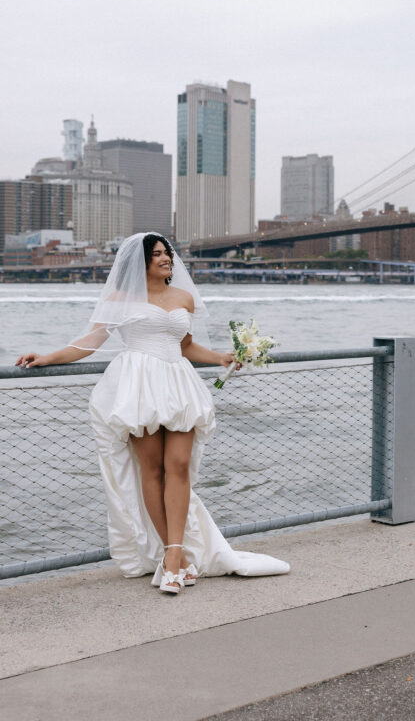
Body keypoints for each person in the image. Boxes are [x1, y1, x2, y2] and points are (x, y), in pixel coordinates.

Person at [16, 232, 289, 593]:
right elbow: (91, 341)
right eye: (157, 254)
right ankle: (173, 555)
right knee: (152, 470)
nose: (166, 259)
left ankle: (174, 556)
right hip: (138, 383)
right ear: (140, 262)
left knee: (178, 467)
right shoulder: (119, 298)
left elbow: (186, 344)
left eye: (168, 254)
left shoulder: (183, 298)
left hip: (177, 382)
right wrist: (47, 357)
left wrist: (221, 356)